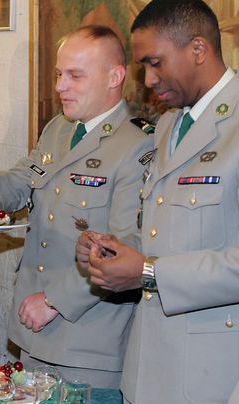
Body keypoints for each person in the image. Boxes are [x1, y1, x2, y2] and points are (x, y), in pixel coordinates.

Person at [0, 25, 154, 387]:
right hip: (34, 332)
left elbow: (126, 250)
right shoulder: (60, 129)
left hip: (86, 340)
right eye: (58, 74)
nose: (59, 86)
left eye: (75, 75)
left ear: (115, 77)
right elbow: (25, 180)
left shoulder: (135, 147)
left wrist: (54, 301)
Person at [76, 1, 239, 402]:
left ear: (198, 49)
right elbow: (164, 234)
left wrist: (147, 271)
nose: (148, 79)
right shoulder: (169, 124)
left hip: (209, 374)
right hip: (146, 368)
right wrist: (114, 256)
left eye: (155, 63)